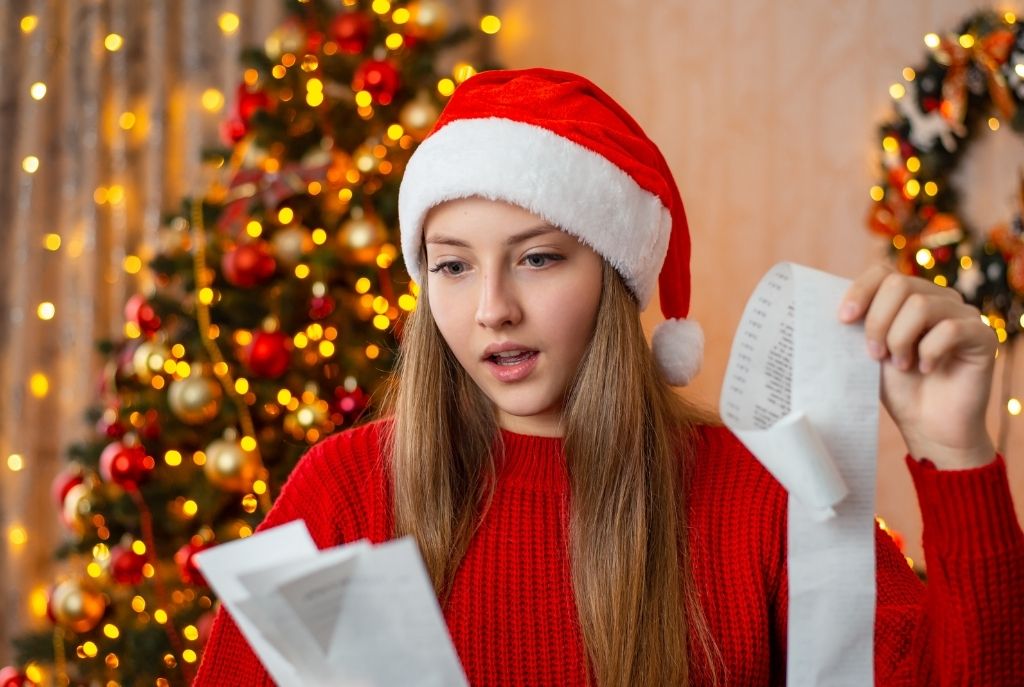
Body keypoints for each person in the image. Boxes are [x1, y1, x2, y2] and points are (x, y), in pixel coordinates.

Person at [193, 67, 1024, 686]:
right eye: (451, 267)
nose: (492, 309)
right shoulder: (343, 491)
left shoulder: (764, 497)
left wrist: (955, 452)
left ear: (616, 276)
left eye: (539, 258)